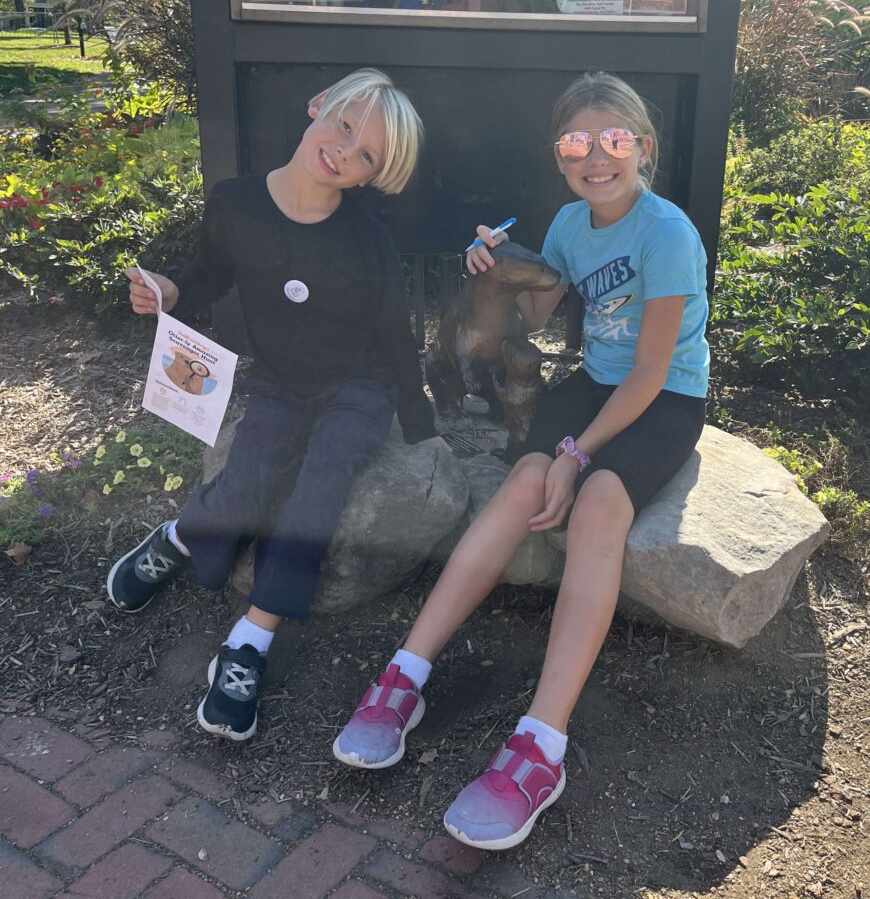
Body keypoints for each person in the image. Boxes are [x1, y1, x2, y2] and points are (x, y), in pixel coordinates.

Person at [333, 71, 709, 850]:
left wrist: (576, 453)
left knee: (599, 501)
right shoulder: (572, 222)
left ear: (642, 146)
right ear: (559, 154)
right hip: (595, 382)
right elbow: (543, 309)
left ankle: (541, 744)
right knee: (520, 484)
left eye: (613, 141)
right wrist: (495, 265)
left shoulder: (666, 232)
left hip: (660, 397)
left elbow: (647, 372)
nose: (594, 157)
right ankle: (405, 674)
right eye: (575, 143)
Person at [106, 69, 442, 741]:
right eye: (343, 126)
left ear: (372, 176)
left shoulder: (365, 237)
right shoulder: (235, 204)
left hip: (358, 387)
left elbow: (393, 331)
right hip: (281, 380)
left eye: (366, 154)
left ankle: (249, 642)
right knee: (248, 478)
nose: (345, 150)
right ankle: (179, 538)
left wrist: (419, 420)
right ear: (318, 106)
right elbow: (211, 273)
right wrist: (170, 292)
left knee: (320, 489)